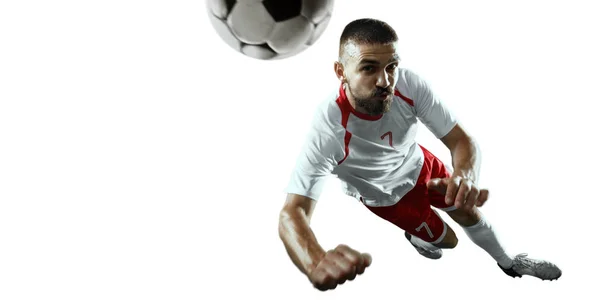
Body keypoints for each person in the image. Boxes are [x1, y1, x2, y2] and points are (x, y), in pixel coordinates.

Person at [277, 18, 562, 291]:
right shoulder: (329, 131)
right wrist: (313, 260)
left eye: (392, 66)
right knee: (449, 242)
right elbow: (294, 211)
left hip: (421, 164)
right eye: (368, 68)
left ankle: (511, 263)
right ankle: (417, 237)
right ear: (341, 72)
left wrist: (465, 175)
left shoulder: (407, 85)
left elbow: (461, 141)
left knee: (469, 211)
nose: (384, 80)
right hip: (388, 196)